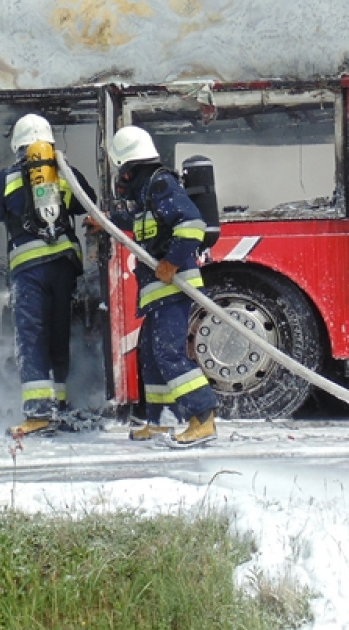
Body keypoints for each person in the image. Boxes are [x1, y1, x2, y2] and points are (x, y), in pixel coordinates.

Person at [0, 114, 96, 436]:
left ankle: (38, 413)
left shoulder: (5, 179)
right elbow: (88, 203)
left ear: (17, 146)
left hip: (29, 270)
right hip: (64, 266)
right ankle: (59, 403)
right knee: (59, 334)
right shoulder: (63, 175)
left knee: (31, 337)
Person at [107, 125, 219, 447]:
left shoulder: (160, 184)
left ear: (128, 167)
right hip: (158, 292)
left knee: (169, 353)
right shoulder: (148, 194)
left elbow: (191, 223)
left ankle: (203, 418)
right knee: (152, 356)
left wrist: (172, 261)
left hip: (174, 288)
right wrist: (107, 221)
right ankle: (160, 420)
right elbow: (145, 225)